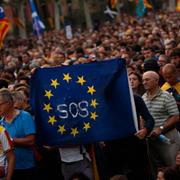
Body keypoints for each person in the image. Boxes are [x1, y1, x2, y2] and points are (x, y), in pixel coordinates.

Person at [104, 94, 154, 180]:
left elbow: (150, 119)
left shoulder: (135, 98)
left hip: (134, 145)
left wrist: (145, 130)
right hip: (113, 147)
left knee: (139, 174)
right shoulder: (104, 99)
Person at [142, 71, 180, 179]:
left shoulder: (166, 96)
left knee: (171, 168)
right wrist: (143, 130)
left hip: (167, 137)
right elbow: (142, 117)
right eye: (143, 80)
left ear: (156, 81)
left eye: (147, 79)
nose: (144, 82)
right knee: (156, 170)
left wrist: (161, 128)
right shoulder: (143, 97)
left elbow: (176, 116)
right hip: (151, 138)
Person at [0, 89, 36, 180]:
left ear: (9, 103)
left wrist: (8, 140)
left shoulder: (25, 116)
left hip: (25, 167)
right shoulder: (0, 123)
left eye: (0, 104)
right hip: (7, 170)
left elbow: (31, 140)